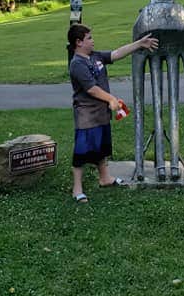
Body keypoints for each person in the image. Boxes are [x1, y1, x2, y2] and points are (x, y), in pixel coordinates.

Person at [67, 23, 158, 202]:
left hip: (101, 114)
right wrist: (111, 99)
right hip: (87, 116)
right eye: (89, 38)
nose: (93, 41)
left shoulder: (95, 56)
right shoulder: (77, 64)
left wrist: (139, 43)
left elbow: (116, 53)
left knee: (102, 148)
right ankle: (77, 189)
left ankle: (105, 178)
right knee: (81, 154)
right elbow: (91, 89)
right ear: (78, 42)